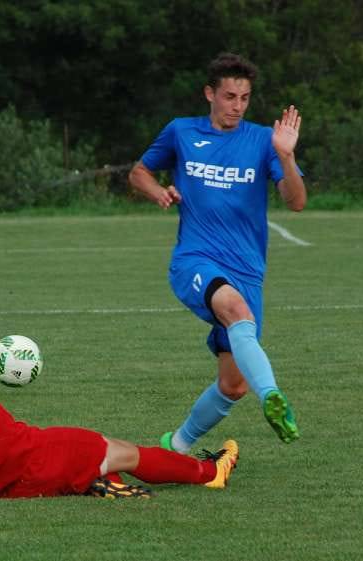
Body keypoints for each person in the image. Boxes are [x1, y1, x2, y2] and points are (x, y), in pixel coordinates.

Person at [0, 247, 238, 499]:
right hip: (26, 459)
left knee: (96, 461)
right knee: (125, 451)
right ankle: (209, 475)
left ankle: (96, 481)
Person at [128, 52, 305, 454]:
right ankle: (273, 397)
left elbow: (295, 201)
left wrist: (286, 155)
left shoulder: (264, 141)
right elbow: (138, 171)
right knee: (236, 310)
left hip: (248, 270)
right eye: (229, 97)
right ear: (210, 94)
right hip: (196, 260)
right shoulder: (181, 132)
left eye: (244, 98)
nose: (237, 107)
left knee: (233, 384)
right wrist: (158, 190)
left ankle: (177, 444)